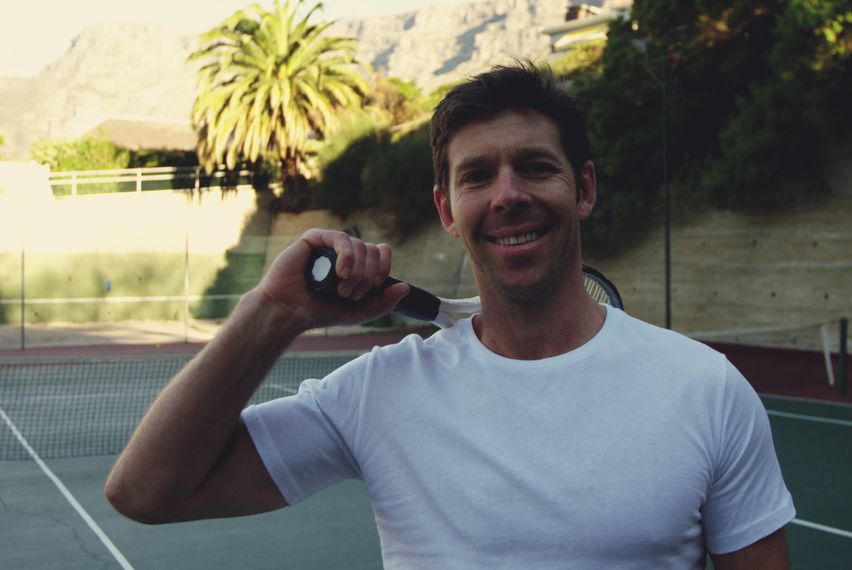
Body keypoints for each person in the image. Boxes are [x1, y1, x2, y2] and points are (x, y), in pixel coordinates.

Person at [106, 62, 795, 569]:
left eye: (535, 167)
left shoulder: (706, 388)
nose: (508, 195)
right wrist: (275, 310)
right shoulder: (377, 391)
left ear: (582, 188)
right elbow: (145, 492)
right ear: (446, 211)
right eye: (476, 177)